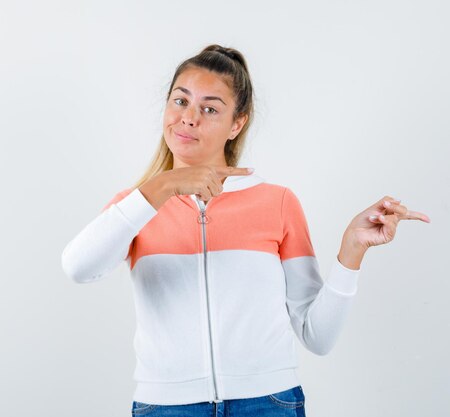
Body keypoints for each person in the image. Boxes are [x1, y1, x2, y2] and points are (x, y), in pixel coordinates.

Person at [61, 44, 431, 417]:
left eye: (209, 108)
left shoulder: (276, 202)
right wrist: (161, 187)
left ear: (236, 124)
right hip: (167, 406)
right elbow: (78, 267)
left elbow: (317, 337)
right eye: (180, 101)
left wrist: (353, 249)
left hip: (269, 403)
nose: (189, 118)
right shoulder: (137, 205)